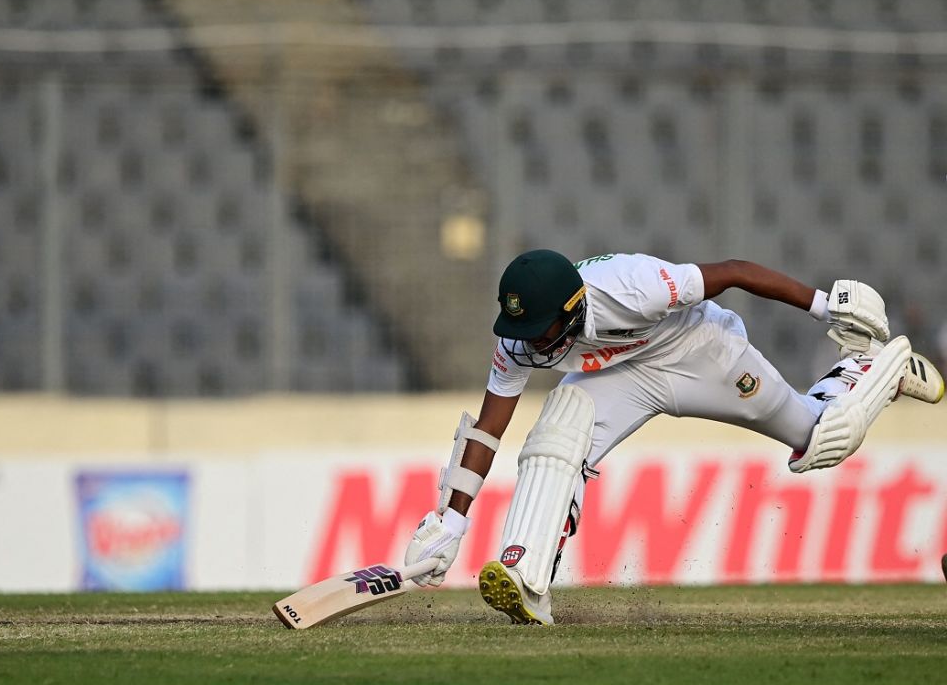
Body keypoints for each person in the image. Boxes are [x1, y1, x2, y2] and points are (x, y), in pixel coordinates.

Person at [404, 250, 944, 625]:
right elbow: (490, 425)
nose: (530, 343)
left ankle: (872, 368)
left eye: (541, 329)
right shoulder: (520, 338)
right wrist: (452, 520)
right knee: (555, 439)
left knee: (823, 437)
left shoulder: (634, 285)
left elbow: (733, 271)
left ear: (574, 308)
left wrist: (825, 306)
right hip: (622, 374)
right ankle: (527, 578)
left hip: (697, 349)